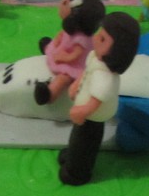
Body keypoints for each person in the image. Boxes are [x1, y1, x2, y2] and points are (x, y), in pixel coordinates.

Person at [59, 11, 139, 185]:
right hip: (84, 112)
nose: (95, 38)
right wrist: (76, 84)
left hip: (93, 116)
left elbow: (98, 99)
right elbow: (86, 71)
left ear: (117, 51)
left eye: (102, 39)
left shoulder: (105, 76)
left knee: (85, 143)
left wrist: (83, 111)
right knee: (77, 138)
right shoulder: (95, 57)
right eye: (99, 33)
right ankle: (73, 155)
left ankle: (77, 172)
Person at [35, 0, 105, 105]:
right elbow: (62, 35)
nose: (60, 4)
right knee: (50, 47)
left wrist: (63, 58)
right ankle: (47, 48)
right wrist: (56, 42)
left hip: (75, 64)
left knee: (63, 78)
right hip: (63, 50)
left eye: (65, 3)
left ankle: (49, 94)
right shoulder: (72, 29)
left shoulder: (81, 38)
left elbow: (76, 55)